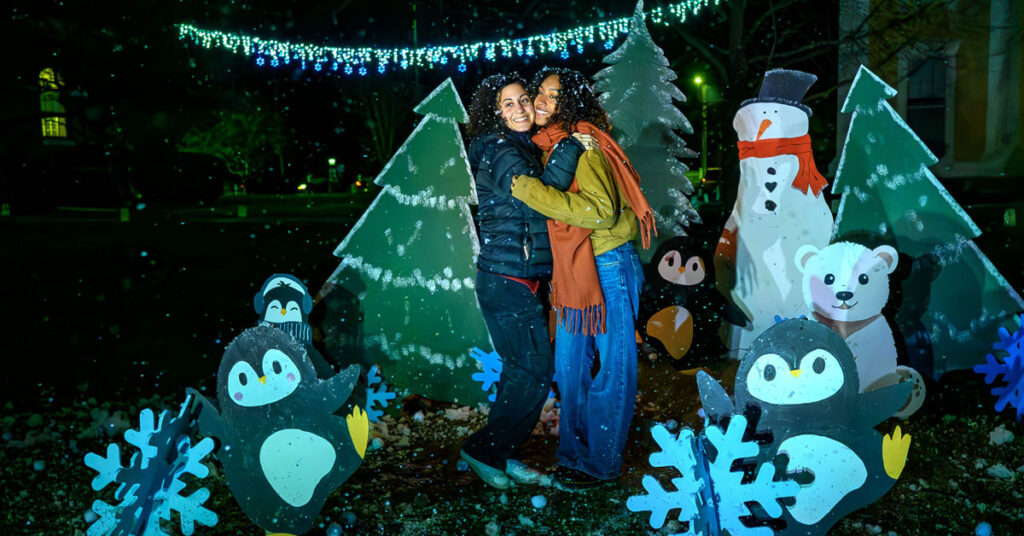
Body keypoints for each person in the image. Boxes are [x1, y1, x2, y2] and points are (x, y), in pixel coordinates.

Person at [510, 68, 655, 490]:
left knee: (614, 367)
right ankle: (572, 454)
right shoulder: (552, 147)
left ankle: (601, 461)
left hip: (607, 265)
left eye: (552, 97)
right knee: (569, 367)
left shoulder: (584, 147)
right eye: (540, 93)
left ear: (571, 104)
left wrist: (529, 191)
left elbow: (600, 212)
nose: (539, 101)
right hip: (573, 270)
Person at [460, 73, 596, 490]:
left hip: (520, 277)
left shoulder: (518, 146)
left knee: (526, 370)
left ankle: (503, 450)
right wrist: (573, 144)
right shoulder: (500, 151)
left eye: (523, 100)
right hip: (506, 279)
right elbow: (544, 192)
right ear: (494, 114)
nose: (520, 109)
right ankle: (485, 448)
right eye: (509, 104)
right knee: (533, 369)